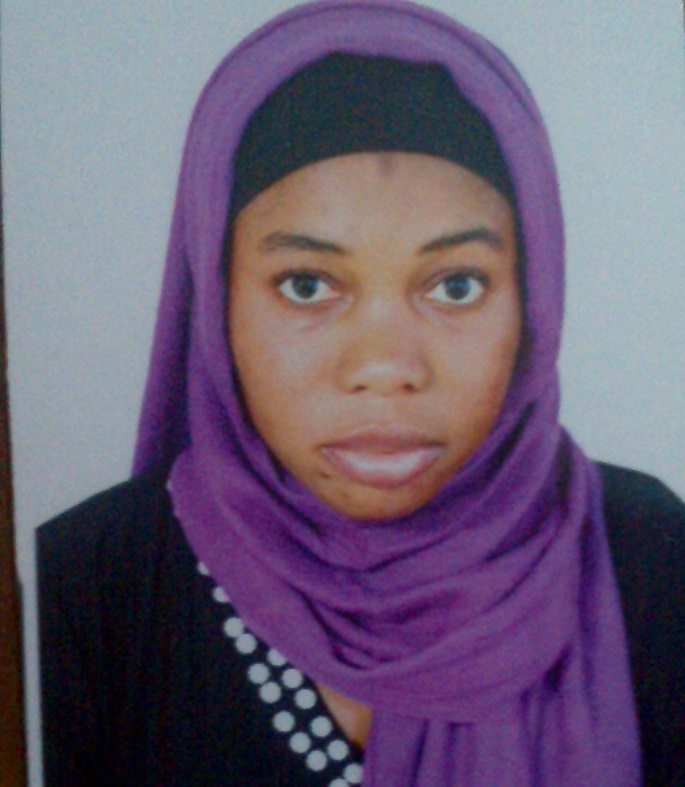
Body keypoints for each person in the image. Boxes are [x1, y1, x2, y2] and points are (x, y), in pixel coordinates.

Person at [37, 1, 685, 785]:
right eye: (306, 285)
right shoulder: (86, 583)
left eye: (455, 284)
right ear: (216, 303)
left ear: (532, 298)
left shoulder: (646, 554)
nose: (384, 366)